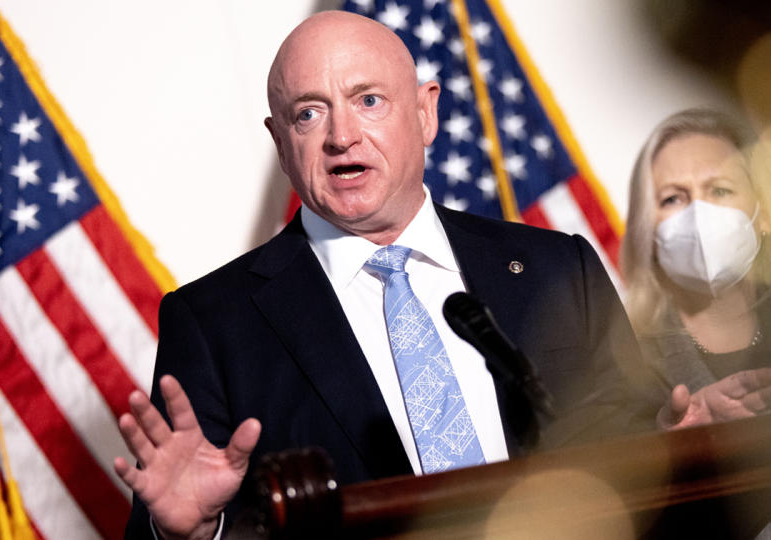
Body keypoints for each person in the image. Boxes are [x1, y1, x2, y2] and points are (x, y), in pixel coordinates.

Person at [115, 11, 640, 540]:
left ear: (425, 112)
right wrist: (195, 532)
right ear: (279, 141)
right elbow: (168, 521)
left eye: (368, 100)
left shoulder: (557, 267)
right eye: (308, 114)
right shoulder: (214, 324)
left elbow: (646, 457)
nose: (342, 137)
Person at [621, 108, 771, 538]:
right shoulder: (622, 368)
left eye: (719, 189)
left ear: (765, 213)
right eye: (672, 198)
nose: (698, 216)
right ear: (648, 231)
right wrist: (670, 459)